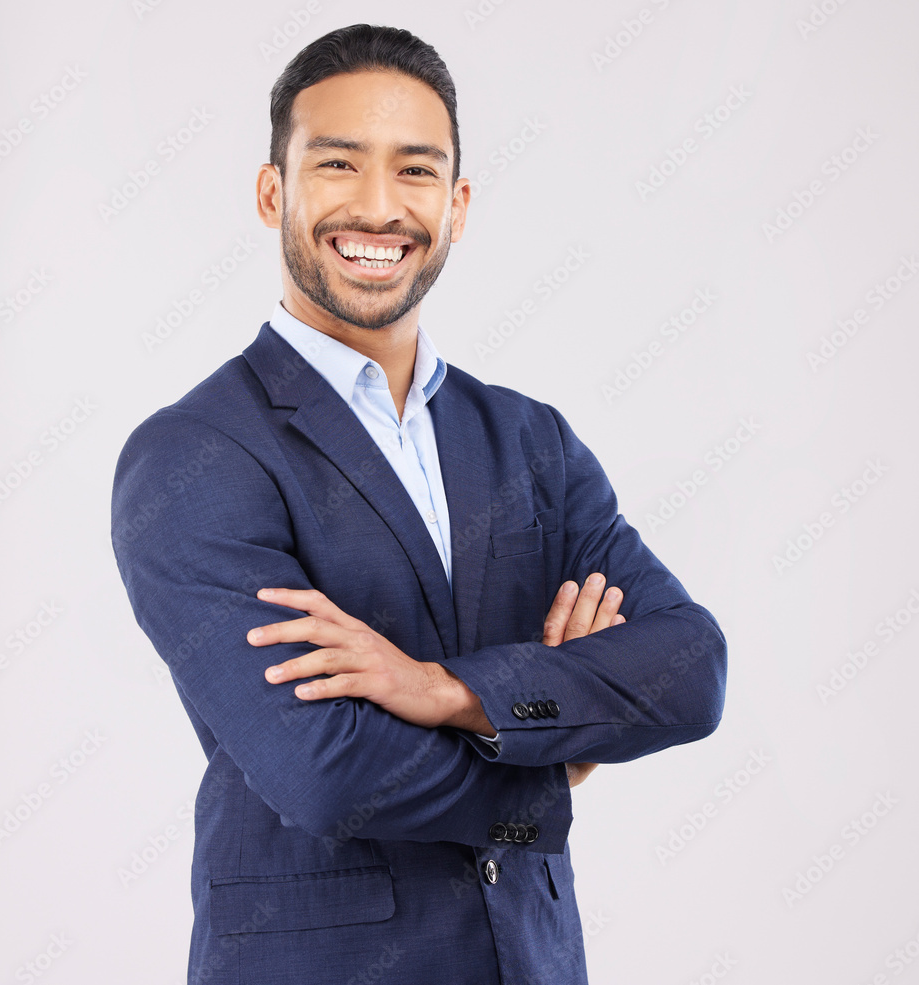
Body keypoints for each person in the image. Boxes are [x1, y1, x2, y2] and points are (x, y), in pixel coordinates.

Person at [111, 23, 726, 985]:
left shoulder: (532, 441)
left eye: (415, 171)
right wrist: (552, 750)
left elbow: (691, 668)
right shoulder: (194, 455)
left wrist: (445, 690)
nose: (378, 207)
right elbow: (324, 770)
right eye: (339, 165)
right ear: (273, 191)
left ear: (458, 203)